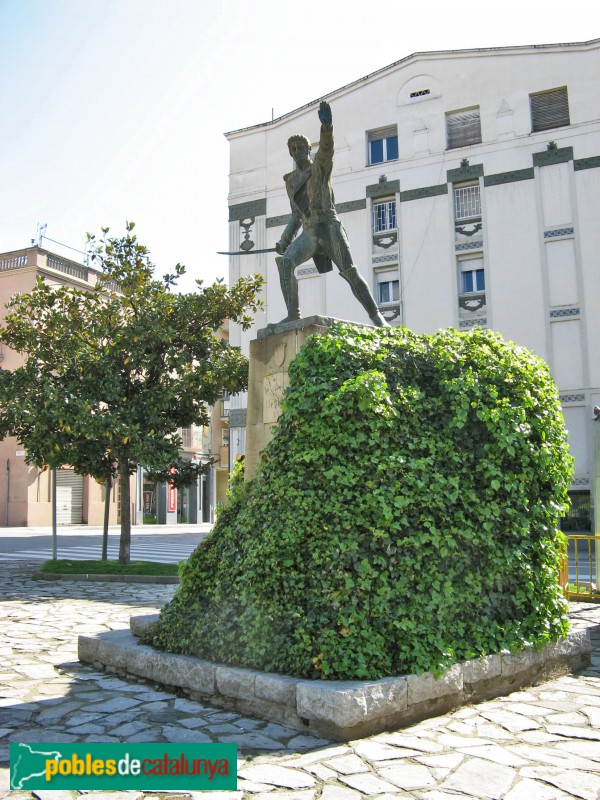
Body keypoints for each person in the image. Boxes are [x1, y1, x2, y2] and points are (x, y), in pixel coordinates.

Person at [275, 100, 388, 327]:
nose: (297, 151)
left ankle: (377, 317)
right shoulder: (290, 181)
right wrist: (285, 239)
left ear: (309, 150)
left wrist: (326, 128)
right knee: (285, 263)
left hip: (328, 226)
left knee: (350, 272)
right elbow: (296, 214)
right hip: (309, 232)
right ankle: (292, 314)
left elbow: (326, 150)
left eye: (301, 147)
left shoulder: (319, 167)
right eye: (293, 149)